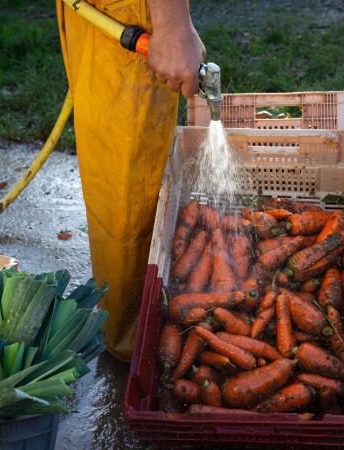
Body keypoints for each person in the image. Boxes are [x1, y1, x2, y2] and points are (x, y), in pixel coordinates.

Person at [56, 0, 205, 361]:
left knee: (120, 182)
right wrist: (171, 26)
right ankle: (139, 347)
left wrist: (172, 25)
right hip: (110, 12)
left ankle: (137, 343)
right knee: (120, 186)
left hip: (110, 11)